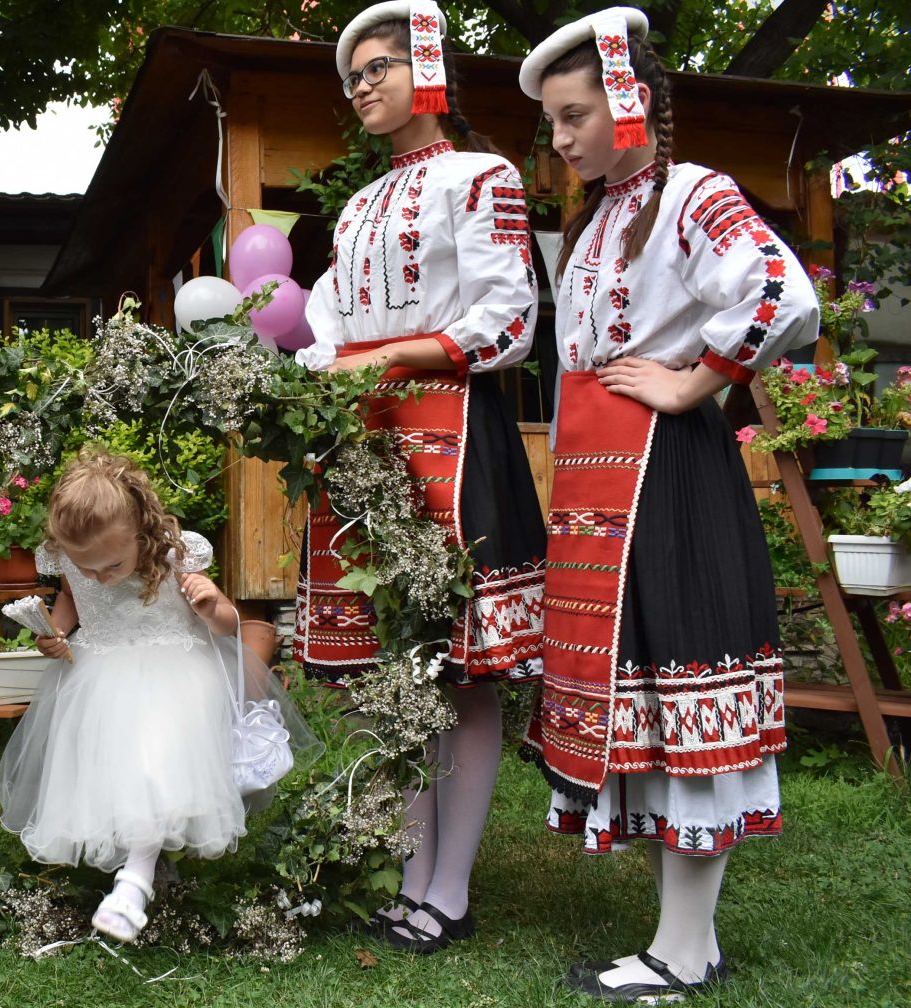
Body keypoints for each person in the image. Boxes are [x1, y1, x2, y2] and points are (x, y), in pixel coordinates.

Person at [517, 7, 819, 1000]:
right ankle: (684, 939)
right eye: (554, 123)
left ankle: (683, 954)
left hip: (666, 477)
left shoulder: (694, 192)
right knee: (638, 708)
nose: (561, 140)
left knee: (679, 693)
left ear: (630, 101)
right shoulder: (598, 215)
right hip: (599, 486)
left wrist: (695, 383)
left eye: (574, 116)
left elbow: (782, 293)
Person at [293, 0, 546, 955]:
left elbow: (508, 317)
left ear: (427, 71)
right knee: (387, 665)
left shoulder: (483, 175)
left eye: (380, 68)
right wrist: (315, 383)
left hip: (451, 429)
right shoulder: (358, 203)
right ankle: (409, 870)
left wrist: (387, 357)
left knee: (459, 668)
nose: (362, 86)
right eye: (352, 76)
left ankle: (451, 886)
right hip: (365, 436)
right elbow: (327, 324)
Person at [0, 447, 314, 944]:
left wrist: (210, 607)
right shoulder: (77, 561)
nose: (100, 577)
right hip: (101, 675)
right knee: (116, 771)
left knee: (154, 762)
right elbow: (71, 599)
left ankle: (134, 885)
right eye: (87, 568)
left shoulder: (175, 556)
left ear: (141, 532)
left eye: (111, 565)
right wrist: (53, 632)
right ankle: (151, 863)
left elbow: (230, 623)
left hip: (177, 674)